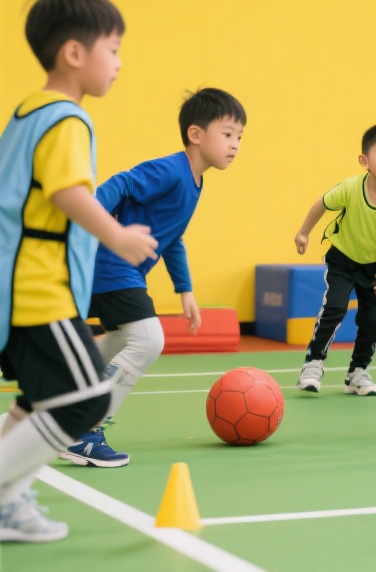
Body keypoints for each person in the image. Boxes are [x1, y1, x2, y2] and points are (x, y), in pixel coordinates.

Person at [0, 0, 158, 542]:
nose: (118, 63)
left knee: (39, 402)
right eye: (112, 49)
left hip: (18, 288)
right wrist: (116, 235)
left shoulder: (26, 113)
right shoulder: (67, 119)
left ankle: (8, 503)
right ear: (74, 52)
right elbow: (68, 192)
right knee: (87, 399)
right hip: (38, 291)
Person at [59, 88, 247, 468]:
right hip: (111, 264)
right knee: (148, 339)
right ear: (196, 134)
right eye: (228, 134)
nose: (235, 145)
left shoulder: (195, 182)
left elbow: (172, 237)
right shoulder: (172, 170)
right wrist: (95, 222)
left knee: (125, 338)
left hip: (117, 269)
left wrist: (185, 290)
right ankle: (85, 430)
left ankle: (67, 392)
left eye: (239, 137)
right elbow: (122, 183)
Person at [295, 124, 376, 396]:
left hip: (375, 266)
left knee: (372, 320)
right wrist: (303, 233)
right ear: (364, 160)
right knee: (334, 308)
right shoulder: (350, 187)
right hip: (342, 260)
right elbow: (321, 204)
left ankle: (357, 372)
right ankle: (313, 363)